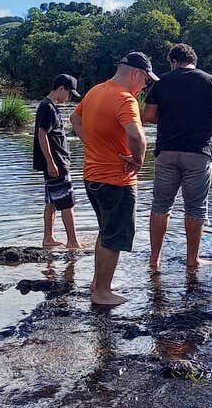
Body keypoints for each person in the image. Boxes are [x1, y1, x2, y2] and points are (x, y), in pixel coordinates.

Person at [70, 52, 153, 306]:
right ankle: (102, 292)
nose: (145, 86)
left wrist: (93, 144)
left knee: (106, 231)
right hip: (116, 179)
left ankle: (98, 283)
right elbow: (137, 136)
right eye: (146, 80)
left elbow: (75, 119)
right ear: (136, 74)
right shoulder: (125, 99)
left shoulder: (95, 91)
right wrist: (138, 161)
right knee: (114, 237)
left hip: (92, 176)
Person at [142, 43, 212, 270]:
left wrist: (167, 119)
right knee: (195, 208)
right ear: (194, 61)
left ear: (174, 62)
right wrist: (206, 120)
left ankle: (155, 259)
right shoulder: (211, 81)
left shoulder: (162, 81)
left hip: (167, 151)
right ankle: (192, 259)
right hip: (198, 152)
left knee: (161, 205)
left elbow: (148, 115)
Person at [33, 74, 82, 249]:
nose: (69, 98)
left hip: (55, 162)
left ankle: (48, 238)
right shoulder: (47, 107)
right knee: (67, 202)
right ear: (61, 88)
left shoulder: (49, 106)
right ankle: (73, 241)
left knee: (52, 202)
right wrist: (50, 162)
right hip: (57, 163)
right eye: (69, 94)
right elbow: (42, 134)